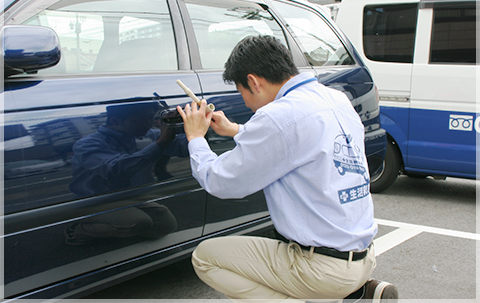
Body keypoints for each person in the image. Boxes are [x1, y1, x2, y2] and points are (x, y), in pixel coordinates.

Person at [176, 35, 398, 301]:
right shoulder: (334, 98)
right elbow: (296, 141)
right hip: (363, 257)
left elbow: (220, 181)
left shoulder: (277, 116)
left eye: (241, 92)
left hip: (321, 268)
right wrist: (237, 130)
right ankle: (357, 293)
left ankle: (331, 293)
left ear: (254, 82)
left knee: (206, 258)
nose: (245, 102)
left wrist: (196, 139)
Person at [66, 101, 188, 245]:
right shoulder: (88, 144)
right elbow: (116, 169)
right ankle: (77, 230)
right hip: (94, 201)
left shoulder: (143, 135)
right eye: (142, 119)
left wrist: (195, 131)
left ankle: (119, 229)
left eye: (150, 118)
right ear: (115, 121)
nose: (149, 123)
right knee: (137, 222)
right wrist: (161, 142)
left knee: (166, 225)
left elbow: (182, 148)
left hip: (127, 198)